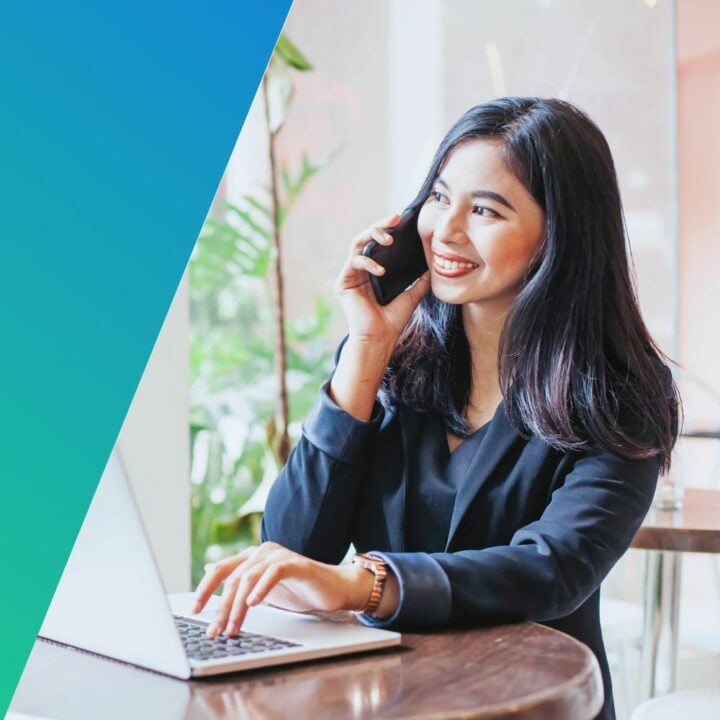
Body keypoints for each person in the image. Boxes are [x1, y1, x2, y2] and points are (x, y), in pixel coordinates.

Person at [192, 97, 680, 720]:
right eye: (440, 198)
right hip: (378, 700)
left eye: (484, 210)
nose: (445, 231)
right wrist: (365, 354)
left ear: (559, 233)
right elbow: (294, 544)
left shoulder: (619, 393)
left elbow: (555, 568)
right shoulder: (390, 360)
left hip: (527, 704)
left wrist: (365, 583)